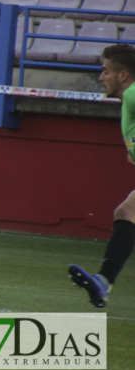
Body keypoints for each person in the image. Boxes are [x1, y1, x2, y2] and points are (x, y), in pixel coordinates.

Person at [68, 44, 135, 308]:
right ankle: (102, 282)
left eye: (105, 71)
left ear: (123, 75)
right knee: (126, 212)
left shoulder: (131, 95)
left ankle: (103, 282)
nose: (100, 77)